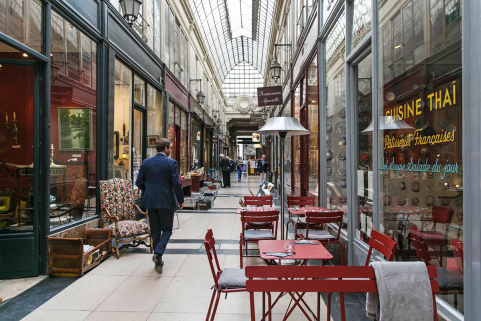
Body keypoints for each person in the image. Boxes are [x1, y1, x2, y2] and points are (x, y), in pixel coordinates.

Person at [135, 138, 184, 274]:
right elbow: (176, 184)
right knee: (167, 229)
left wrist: (149, 190)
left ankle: (158, 258)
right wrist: (180, 199)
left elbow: (139, 181)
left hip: (150, 201)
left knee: (155, 229)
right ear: (166, 149)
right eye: (169, 148)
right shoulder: (171, 163)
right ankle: (158, 253)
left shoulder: (146, 162)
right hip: (166, 201)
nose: (170, 150)